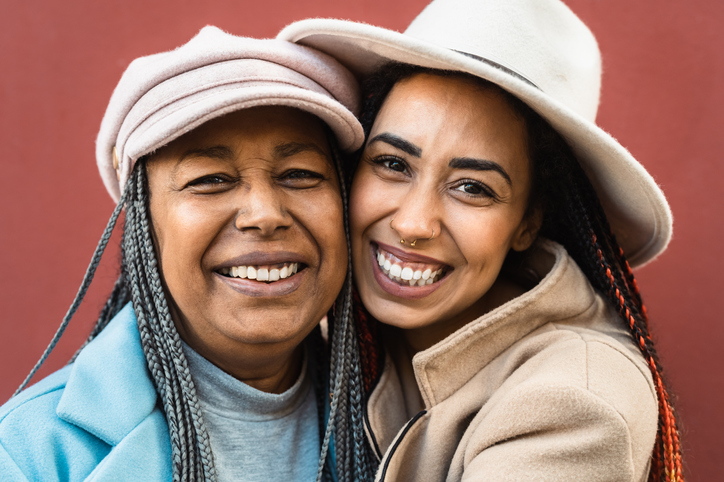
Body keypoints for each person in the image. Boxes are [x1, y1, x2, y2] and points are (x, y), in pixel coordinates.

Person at [279, 0, 683, 481]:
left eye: (473, 187)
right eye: (392, 163)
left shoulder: (578, 398)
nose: (413, 223)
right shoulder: (324, 334)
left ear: (527, 223)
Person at [0, 27, 377, 482]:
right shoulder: (31, 453)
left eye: (300, 174)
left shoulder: (405, 418)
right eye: (210, 179)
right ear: (145, 227)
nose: (264, 214)